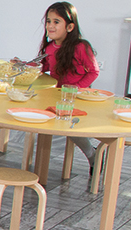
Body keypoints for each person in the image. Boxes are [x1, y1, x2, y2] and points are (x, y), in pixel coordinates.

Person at [38, 1, 101, 173]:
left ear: (70, 26)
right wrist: (25, 65)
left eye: (56, 22)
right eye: (48, 21)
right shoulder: (49, 48)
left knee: (68, 123)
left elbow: (93, 72)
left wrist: (74, 88)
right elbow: (42, 70)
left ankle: (93, 155)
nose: (50, 26)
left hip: (78, 97)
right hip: (59, 96)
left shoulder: (81, 46)